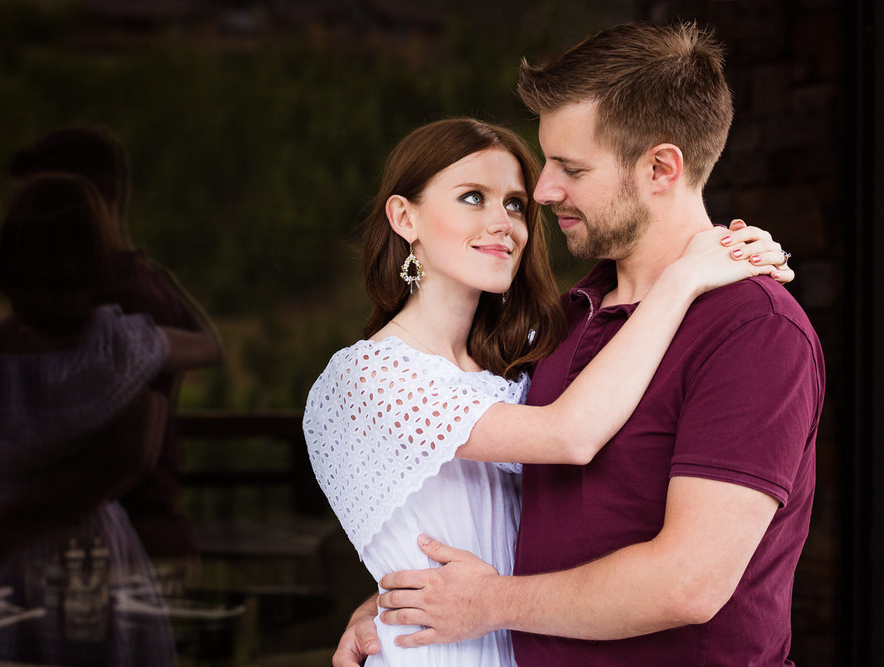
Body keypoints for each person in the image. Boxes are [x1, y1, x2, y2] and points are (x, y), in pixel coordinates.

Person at [339, 22, 825, 667]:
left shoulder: (752, 329)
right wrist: (396, 600)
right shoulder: (565, 321)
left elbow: (687, 584)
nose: (544, 192)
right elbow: (504, 511)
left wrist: (492, 604)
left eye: (570, 167)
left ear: (660, 168)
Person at [0, 174, 220, 666]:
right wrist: (151, 278)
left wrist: (0, 518)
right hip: (85, 555)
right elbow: (207, 344)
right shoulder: (114, 351)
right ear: (96, 259)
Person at [9, 126, 219, 573]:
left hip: (123, 541)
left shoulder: (124, 299)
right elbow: (207, 343)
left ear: (95, 195)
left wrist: (4, 523)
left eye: (46, 201)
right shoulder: (136, 284)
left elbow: (129, 455)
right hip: (111, 533)